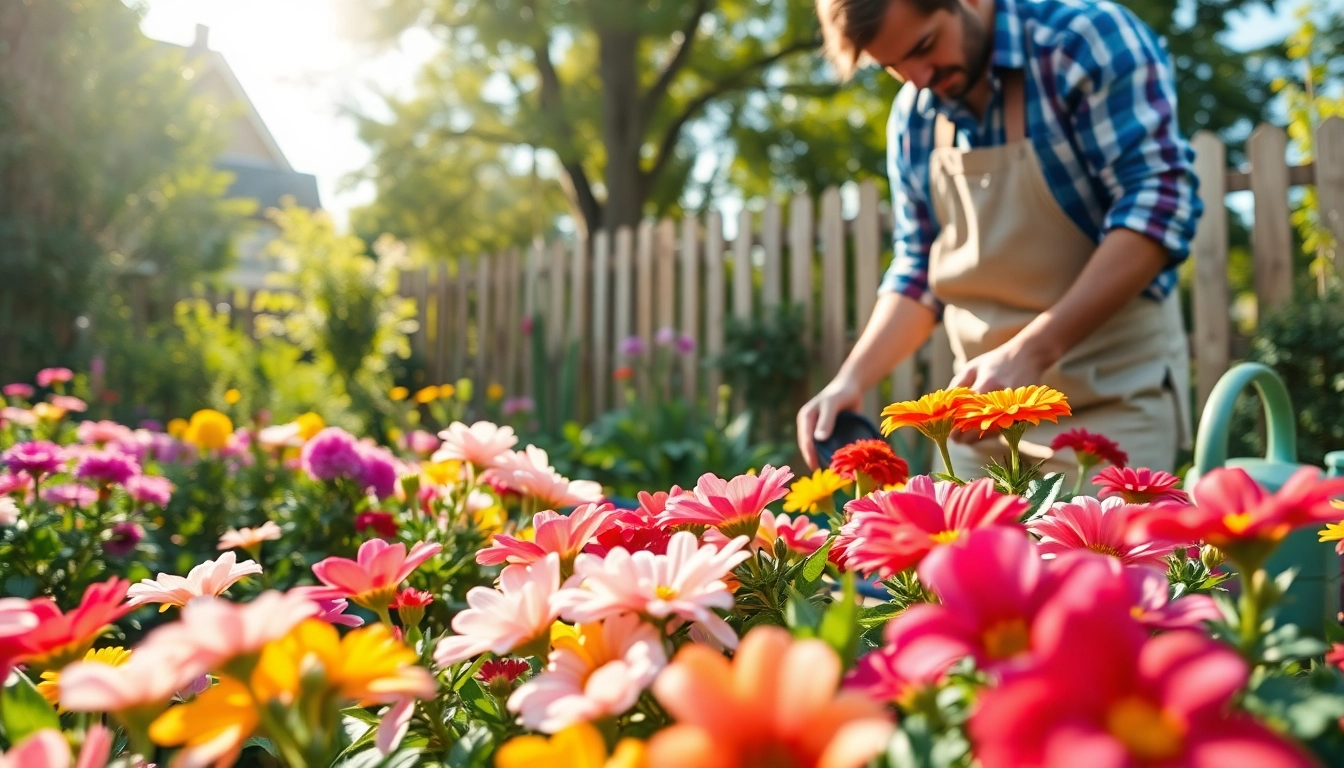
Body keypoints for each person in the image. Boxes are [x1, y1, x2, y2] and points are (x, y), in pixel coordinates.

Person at [798, 0, 1203, 477]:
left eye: (925, 46)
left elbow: (1158, 208)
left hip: (1110, 407)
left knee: (1098, 551)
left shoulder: (1082, 42)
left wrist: (1031, 352)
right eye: (893, 66)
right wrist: (851, 379)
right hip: (976, 427)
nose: (919, 77)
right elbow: (918, 270)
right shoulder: (915, 118)